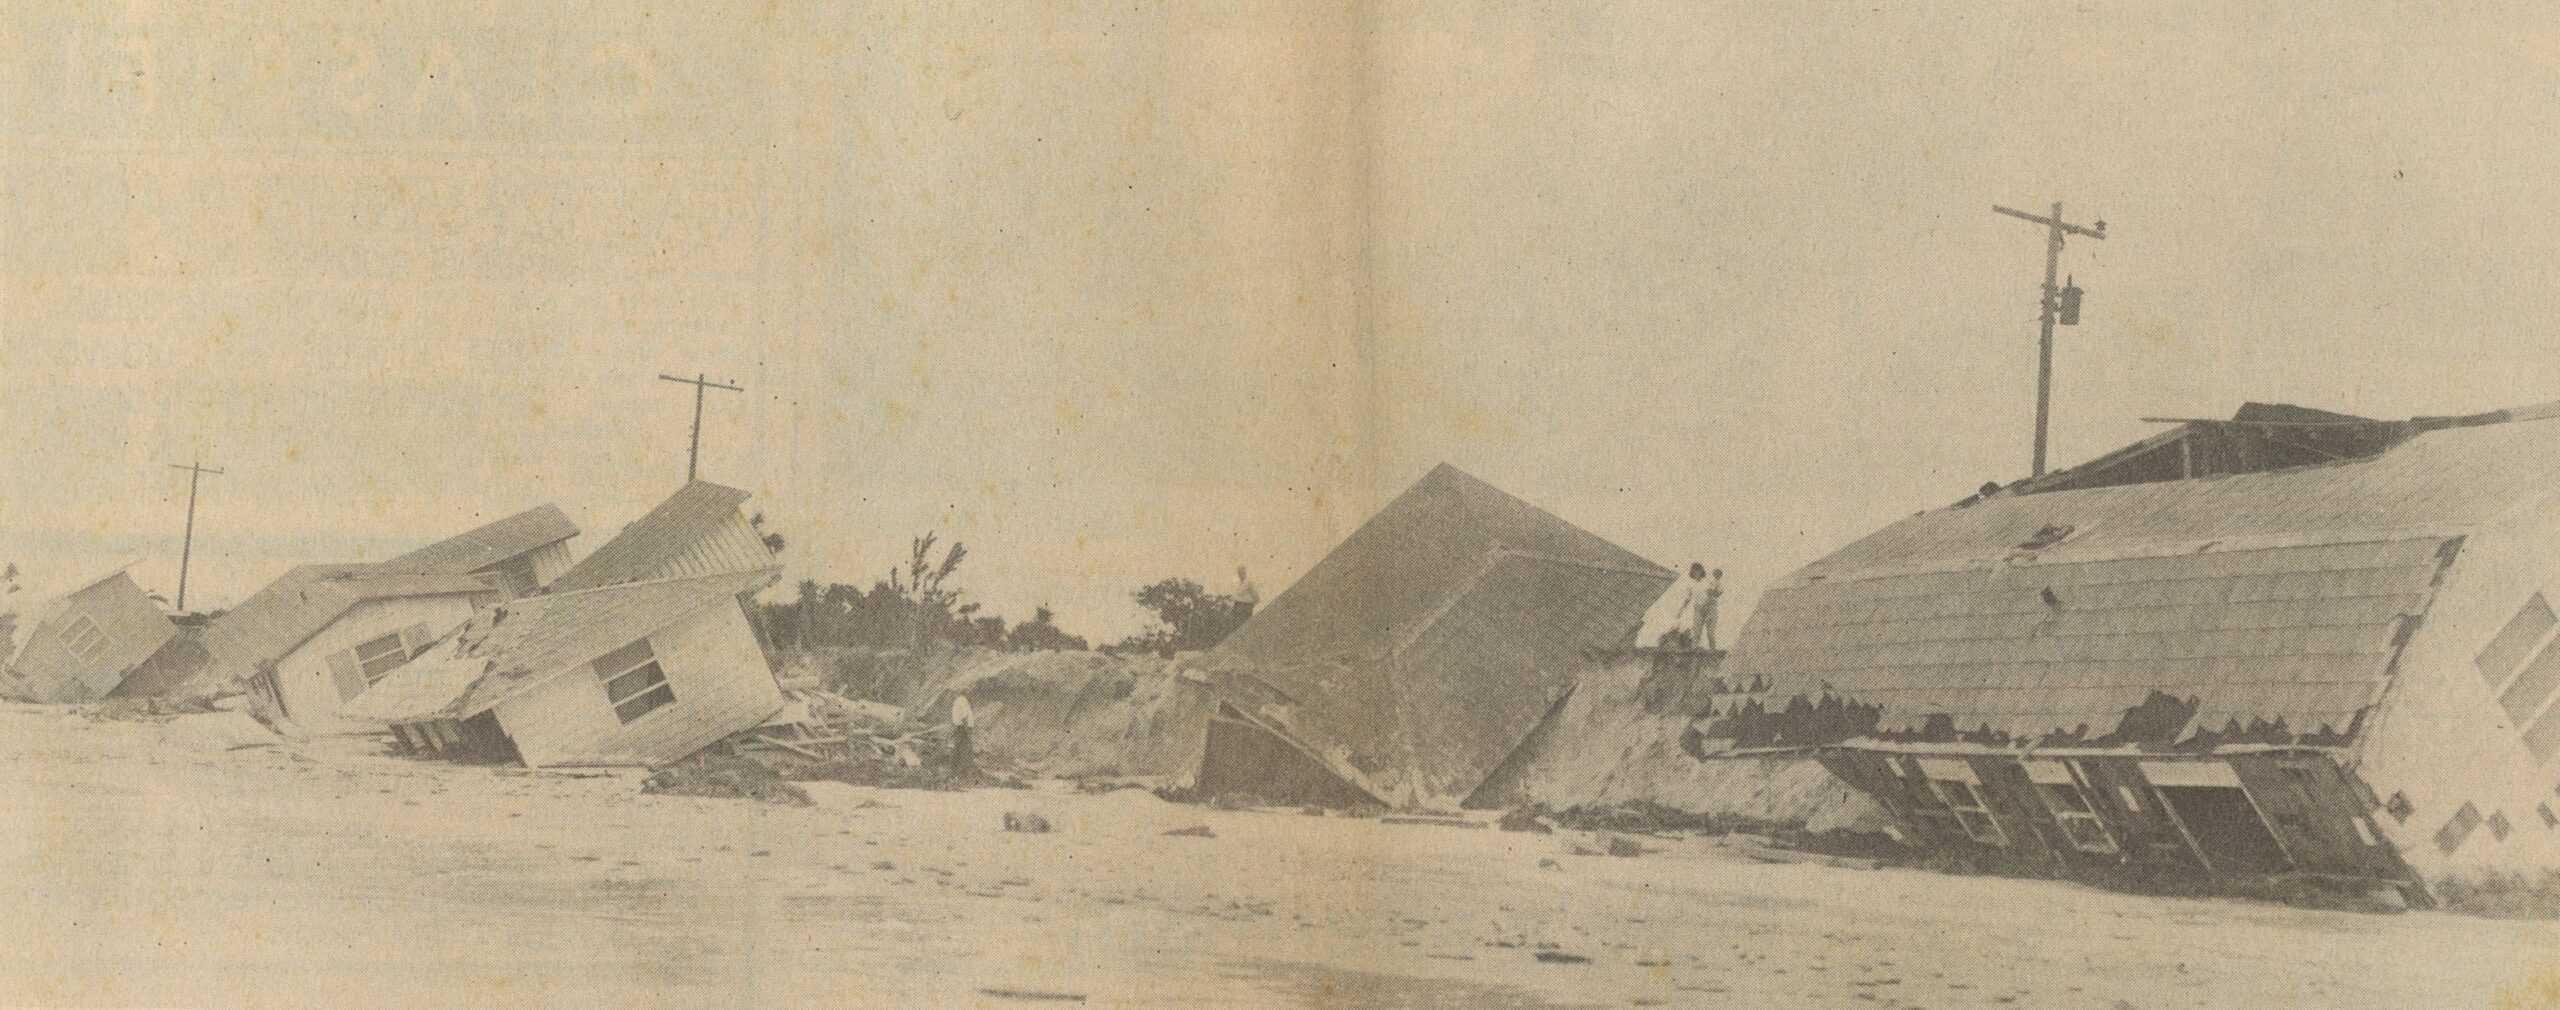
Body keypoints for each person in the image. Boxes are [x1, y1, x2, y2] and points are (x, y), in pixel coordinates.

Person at [949, 694, 976, 779]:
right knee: (964, 752)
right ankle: (960, 775)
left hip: (961, 729)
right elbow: (964, 718)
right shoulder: (962, 701)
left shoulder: (960, 700)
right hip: (962, 729)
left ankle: (956, 774)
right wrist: (967, 732)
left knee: (959, 751)